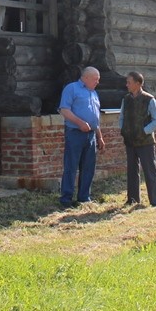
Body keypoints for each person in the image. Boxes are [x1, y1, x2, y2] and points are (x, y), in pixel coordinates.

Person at [58, 66, 104, 208]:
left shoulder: (94, 93)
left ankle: (84, 197)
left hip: (90, 135)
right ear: (86, 77)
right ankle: (66, 199)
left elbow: (95, 118)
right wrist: (80, 123)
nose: (97, 82)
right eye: (95, 79)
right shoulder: (72, 88)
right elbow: (64, 110)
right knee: (71, 166)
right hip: (75, 133)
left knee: (88, 167)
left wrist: (99, 136)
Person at [119, 70, 156, 208]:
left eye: (129, 82)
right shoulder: (126, 99)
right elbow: (121, 117)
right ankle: (132, 199)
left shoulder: (150, 99)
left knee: (150, 170)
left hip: (145, 142)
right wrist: (123, 130)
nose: (127, 85)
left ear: (138, 84)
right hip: (130, 141)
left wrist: (144, 131)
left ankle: (155, 201)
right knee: (131, 171)